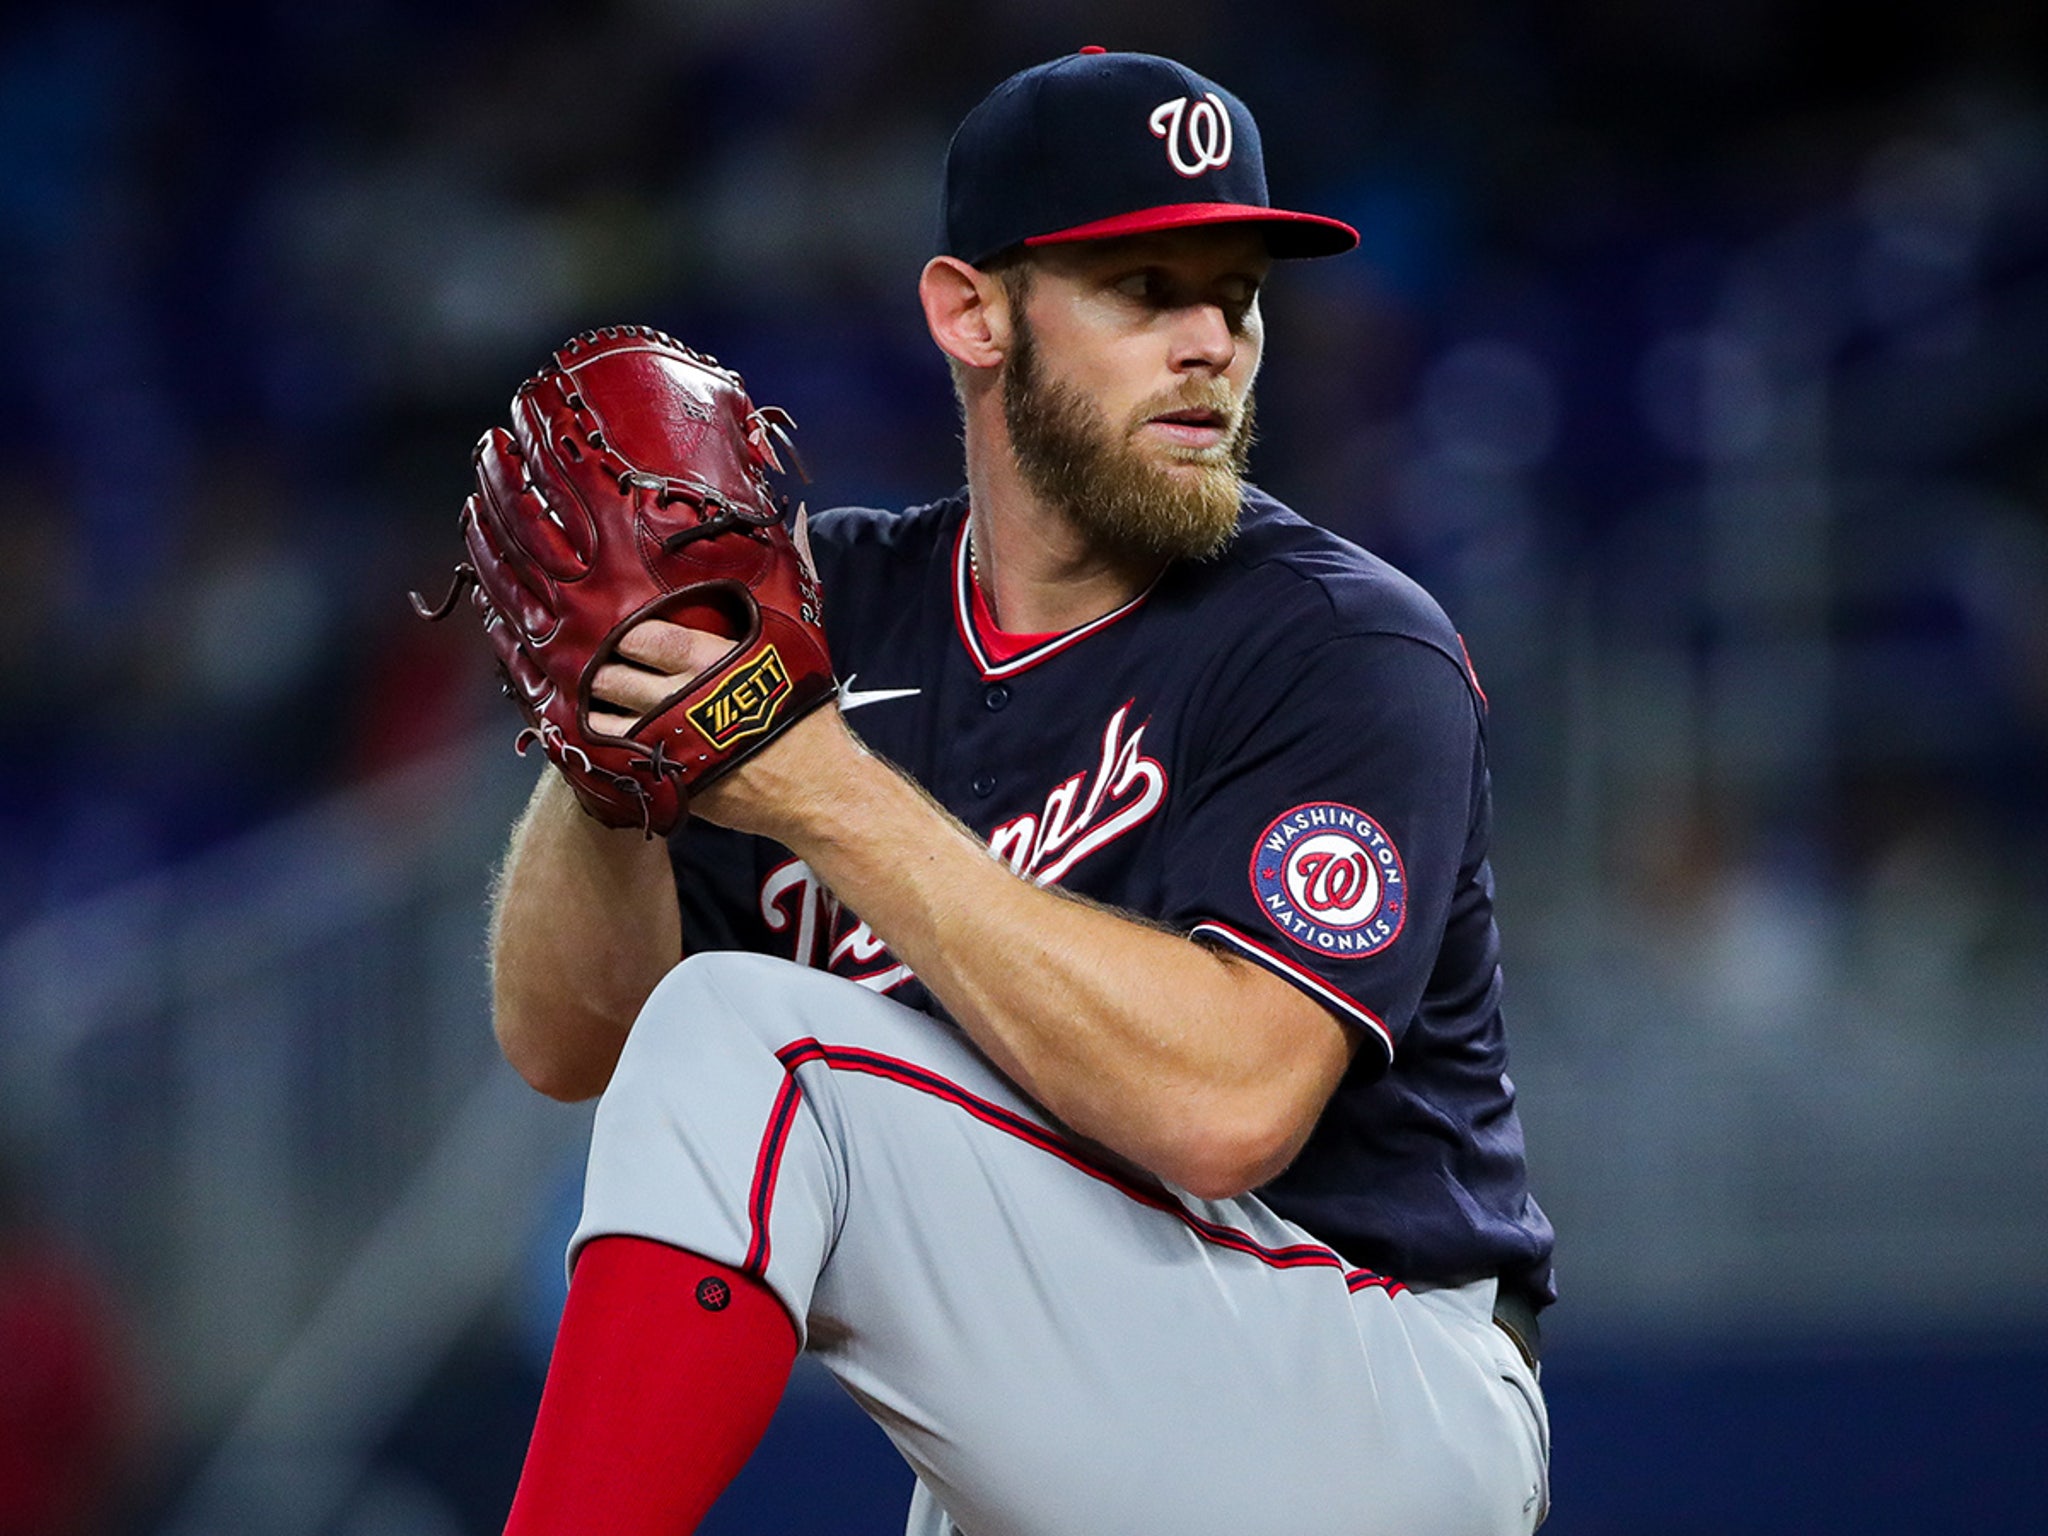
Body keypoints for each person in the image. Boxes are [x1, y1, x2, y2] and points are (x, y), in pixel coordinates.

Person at [489, 47, 1554, 1536]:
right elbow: (570, 1042)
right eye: (1143, 289)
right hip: (1091, 1400)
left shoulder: (1341, 638)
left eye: (1235, 294)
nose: (1211, 342)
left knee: (761, 1043)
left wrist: (824, 796)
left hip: (1366, 1379)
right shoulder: (833, 603)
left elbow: (1226, 1106)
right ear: (970, 313)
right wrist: (605, 743)